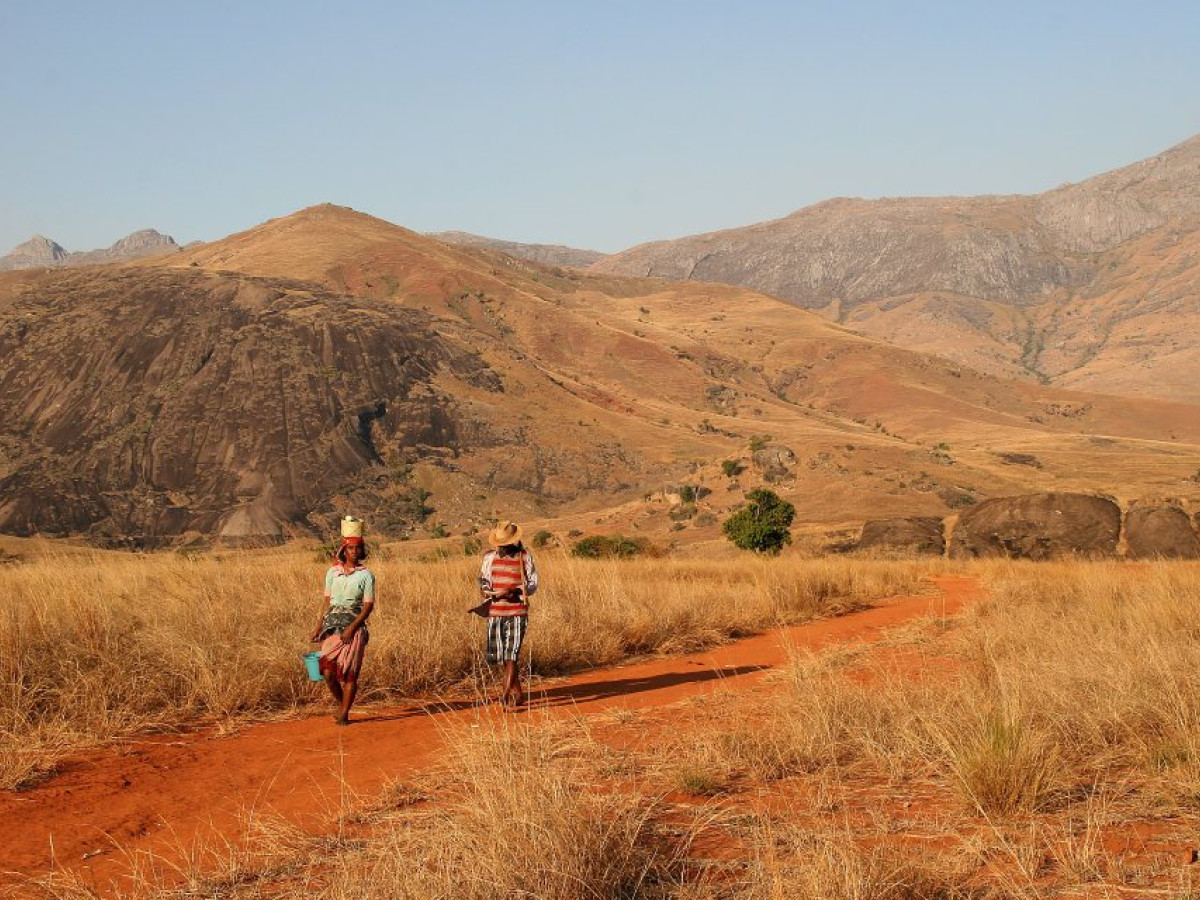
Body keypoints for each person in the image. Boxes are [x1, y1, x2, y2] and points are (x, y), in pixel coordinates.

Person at [310, 516, 375, 725]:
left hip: (353, 628)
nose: (355, 552)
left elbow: (368, 606)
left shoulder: (366, 576)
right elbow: (326, 602)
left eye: (358, 549)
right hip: (331, 625)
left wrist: (352, 628)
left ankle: (344, 713)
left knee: (349, 673)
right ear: (343, 551)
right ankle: (343, 706)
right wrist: (319, 626)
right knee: (328, 672)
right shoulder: (332, 572)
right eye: (351, 549)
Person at [477, 520, 539, 709]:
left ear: (512, 541)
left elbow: (533, 584)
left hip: (517, 612)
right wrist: (486, 591)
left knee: (512, 654)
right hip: (495, 612)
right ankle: (518, 694)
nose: (501, 547)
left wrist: (515, 592)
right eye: (499, 544)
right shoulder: (489, 557)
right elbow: (484, 580)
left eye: (504, 544)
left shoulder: (524, 557)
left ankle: (505, 695)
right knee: (503, 656)